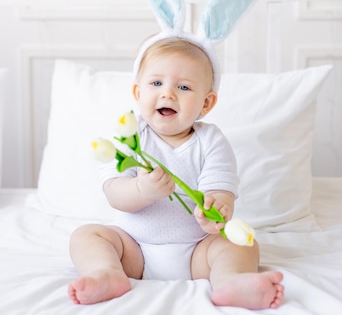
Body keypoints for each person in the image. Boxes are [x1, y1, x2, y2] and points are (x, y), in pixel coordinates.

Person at [67, 37, 284, 309]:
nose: (168, 93)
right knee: (87, 236)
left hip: (197, 250)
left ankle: (230, 280)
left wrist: (216, 209)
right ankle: (107, 274)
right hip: (134, 248)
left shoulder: (212, 140)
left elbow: (221, 188)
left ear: (206, 103)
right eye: (156, 83)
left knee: (243, 244)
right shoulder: (129, 135)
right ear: (138, 92)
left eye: (183, 87)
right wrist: (141, 190)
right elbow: (115, 194)